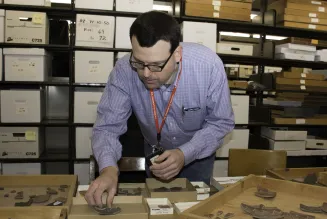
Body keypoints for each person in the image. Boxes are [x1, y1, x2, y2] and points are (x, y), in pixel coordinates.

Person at [85, 11, 235, 207]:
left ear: (177, 54)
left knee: (194, 209)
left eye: (156, 65)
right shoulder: (123, 70)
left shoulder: (208, 66)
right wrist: (108, 169)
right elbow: (107, 127)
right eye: (139, 63)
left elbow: (221, 122)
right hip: (155, 151)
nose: (146, 74)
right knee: (157, 208)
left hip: (198, 153)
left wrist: (184, 153)